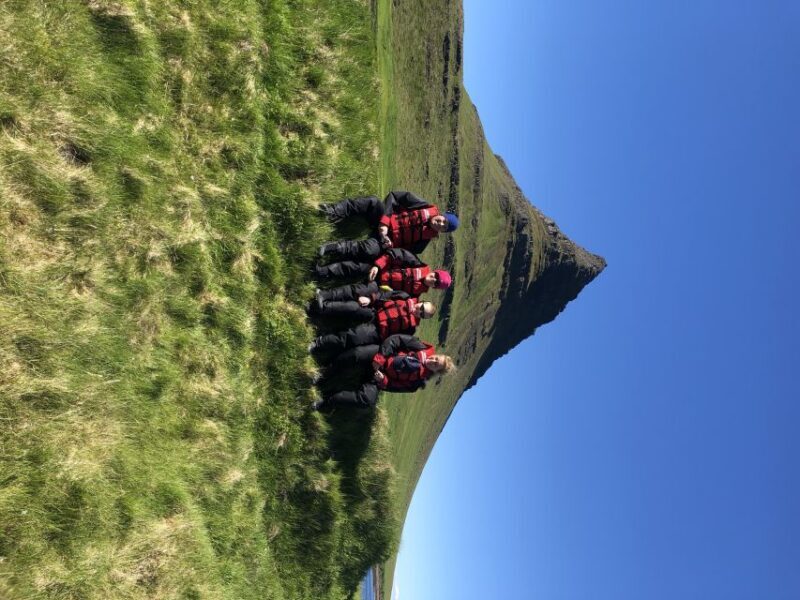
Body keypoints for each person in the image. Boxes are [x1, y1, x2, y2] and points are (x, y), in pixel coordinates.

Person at [313, 334, 455, 409]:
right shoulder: (419, 347)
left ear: (436, 371)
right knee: (356, 354)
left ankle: (327, 401)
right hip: (379, 355)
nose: (433, 361)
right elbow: (395, 340)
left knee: (367, 400)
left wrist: (383, 380)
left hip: (379, 376)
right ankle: (323, 374)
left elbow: (394, 387)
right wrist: (380, 358)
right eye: (436, 358)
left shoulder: (417, 383)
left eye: (436, 365)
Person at [317, 191, 459, 260]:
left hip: (383, 240)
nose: (440, 224)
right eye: (443, 220)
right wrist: (384, 222)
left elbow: (399, 253)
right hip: (383, 218)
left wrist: (389, 245)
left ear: (441, 232)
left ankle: (332, 248)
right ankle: (332, 211)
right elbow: (394, 196)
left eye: (444, 227)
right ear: (442, 214)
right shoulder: (423, 206)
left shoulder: (422, 244)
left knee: (369, 251)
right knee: (373, 202)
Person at [309, 293, 436, 355]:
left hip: (376, 331)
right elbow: (386, 295)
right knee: (352, 307)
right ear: (422, 301)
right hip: (375, 312)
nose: (419, 311)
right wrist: (371, 299)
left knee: (353, 337)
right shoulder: (405, 296)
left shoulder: (410, 329)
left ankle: (320, 342)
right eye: (422, 307)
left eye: (422, 314)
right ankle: (318, 308)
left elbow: (393, 340)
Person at [314, 247, 452, 302]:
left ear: (434, 287)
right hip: (380, 269)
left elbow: (393, 297)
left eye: (435, 283)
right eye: (435, 276)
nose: (432, 279)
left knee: (357, 292)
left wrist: (374, 297)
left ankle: (324, 295)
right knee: (352, 267)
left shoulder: (414, 295)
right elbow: (395, 254)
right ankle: (321, 272)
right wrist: (377, 266)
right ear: (434, 271)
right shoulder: (416, 263)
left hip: (379, 287)